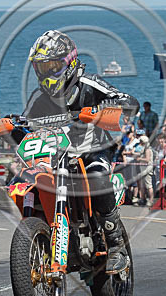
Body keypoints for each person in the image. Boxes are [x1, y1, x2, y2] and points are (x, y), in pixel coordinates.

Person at [22, 30, 139, 274]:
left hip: (92, 152)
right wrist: (5, 129)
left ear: (69, 62)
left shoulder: (89, 84)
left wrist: (111, 107)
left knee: (97, 178)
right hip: (57, 157)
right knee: (27, 180)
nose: (46, 72)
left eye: (52, 66)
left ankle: (116, 244)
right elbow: (26, 128)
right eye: (41, 68)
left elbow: (126, 100)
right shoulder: (39, 98)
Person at [137, 135, 154, 206]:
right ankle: (143, 198)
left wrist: (140, 159)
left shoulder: (147, 149)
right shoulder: (144, 148)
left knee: (148, 185)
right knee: (143, 185)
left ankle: (151, 200)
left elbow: (147, 159)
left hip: (147, 169)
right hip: (143, 169)